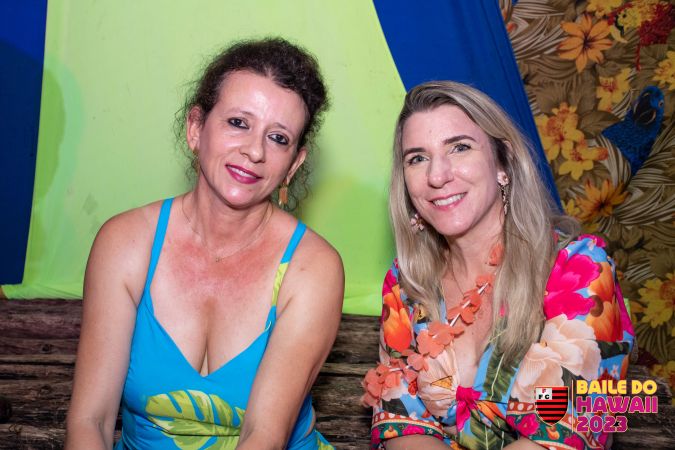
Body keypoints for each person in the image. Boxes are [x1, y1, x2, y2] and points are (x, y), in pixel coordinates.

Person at [65, 38, 344, 450]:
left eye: (278, 138)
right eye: (238, 123)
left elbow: (264, 436)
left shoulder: (313, 268)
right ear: (196, 127)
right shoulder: (126, 243)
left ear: (293, 164)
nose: (254, 151)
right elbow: (91, 420)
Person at [361, 81, 634, 449]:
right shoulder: (407, 281)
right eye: (418, 158)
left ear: (503, 162)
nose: (437, 176)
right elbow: (403, 423)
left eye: (459, 147)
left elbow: (563, 435)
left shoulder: (578, 268)